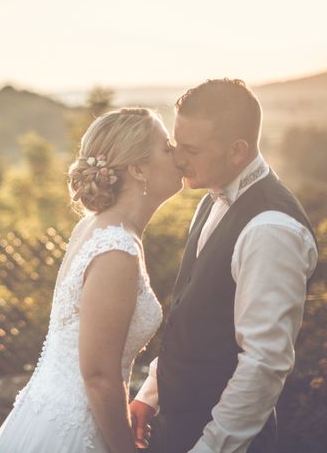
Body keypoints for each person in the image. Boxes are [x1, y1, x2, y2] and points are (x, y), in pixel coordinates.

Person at [129, 79, 318, 453]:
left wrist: (210, 447)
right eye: (176, 144)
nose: (178, 159)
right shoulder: (210, 199)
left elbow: (264, 363)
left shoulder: (271, 230)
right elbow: (192, 319)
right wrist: (151, 394)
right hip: (174, 428)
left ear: (237, 151)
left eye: (191, 149)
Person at [0, 108, 183, 452]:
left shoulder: (98, 228)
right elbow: (99, 376)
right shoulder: (116, 249)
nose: (177, 153)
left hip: (49, 413)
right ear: (137, 169)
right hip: (76, 432)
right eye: (167, 147)